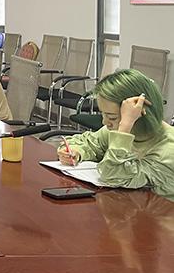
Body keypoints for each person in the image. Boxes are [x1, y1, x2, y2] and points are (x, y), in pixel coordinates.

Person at [57, 69, 174, 201]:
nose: (104, 122)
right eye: (103, 114)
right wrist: (76, 151)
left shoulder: (168, 150)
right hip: (127, 206)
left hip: (159, 212)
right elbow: (89, 142)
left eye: (112, 117)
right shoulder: (117, 130)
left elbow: (113, 175)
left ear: (140, 114)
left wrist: (125, 126)